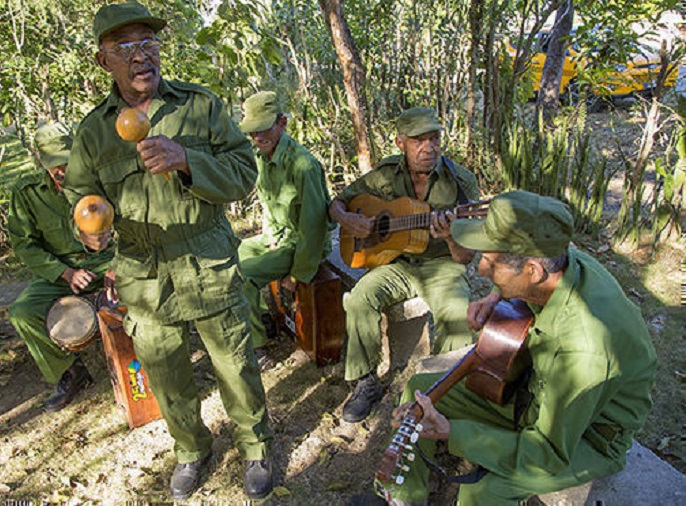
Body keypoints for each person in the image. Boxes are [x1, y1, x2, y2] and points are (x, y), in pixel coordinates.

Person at [61, 2, 273, 501]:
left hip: (207, 258)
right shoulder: (93, 132)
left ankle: (256, 446)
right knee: (165, 371)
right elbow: (81, 198)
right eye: (125, 47)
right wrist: (90, 231)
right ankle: (190, 449)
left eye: (148, 43)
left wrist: (187, 160)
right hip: (143, 271)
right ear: (103, 61)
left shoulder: (200, 107)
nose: (141, 56)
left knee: (235, 365)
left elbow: (244, 174)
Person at [375, 190, 657, 505]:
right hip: (534, 391)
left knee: (483, 492)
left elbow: (546, 453)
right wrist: (497, 295)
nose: (481, 269)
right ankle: (403, 497)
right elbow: (536, 277)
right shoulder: (559, 257)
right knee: (418, 388)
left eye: (490, 261)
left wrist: (451, 432)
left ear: (533, 271)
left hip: (586, 435)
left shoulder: (584, 351)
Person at [328, 107, 480, 423]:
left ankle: (441, 392)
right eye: (418, 141)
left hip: (442, 265)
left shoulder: (461, 182)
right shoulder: (385, 174)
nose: (429, 148)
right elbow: (337, 204)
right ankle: (366, 380)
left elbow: (465, 258)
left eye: (434, 138)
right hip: (395, 262)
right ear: (401, 143)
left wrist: (450, 237)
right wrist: (350, 219)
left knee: (456, 314)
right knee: (360, 297)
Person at [7, 122, 114, 412]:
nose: (63, 169)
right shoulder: (27, 193)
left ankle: (142, 365)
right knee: (22, 312)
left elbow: (129, 228)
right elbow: (24, 244)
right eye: (55, 164)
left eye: (67, 160)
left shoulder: (98, 179)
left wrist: (116, 267)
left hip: (108, 265)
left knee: (141, 296)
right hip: (61, 272)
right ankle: (70, 371)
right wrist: (64, 273)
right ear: (40, 160)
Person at [237, 91, 333, 370]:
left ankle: (257, 347)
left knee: (243, 274)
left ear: (282, 122)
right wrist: (270, 238)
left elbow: (313, 230)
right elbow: (269, 205)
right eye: (252, 131)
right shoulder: (262, 157)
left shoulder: (304, 166)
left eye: (264, 128)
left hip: (302, 246)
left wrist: (298, 275)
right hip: (278, 238)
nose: (257, 137)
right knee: (232, 253)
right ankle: (263, 316)